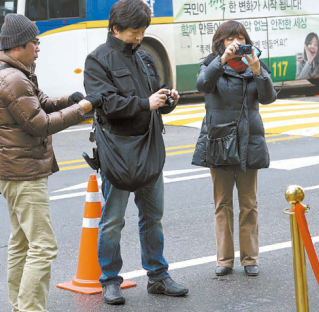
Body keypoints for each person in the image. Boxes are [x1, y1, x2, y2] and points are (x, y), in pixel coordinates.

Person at [83, 0, 187, 305]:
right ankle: (110, 280)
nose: (140, 36)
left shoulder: (143, 59)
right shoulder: (97, 61)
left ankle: (158, 275)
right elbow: (107, 104)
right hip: (118, 150)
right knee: (113, 220)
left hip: (150, 146)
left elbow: (154, 98)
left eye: (143, 30)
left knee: (153, 217)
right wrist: (146, 103)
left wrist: (168, 100)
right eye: (135, 31)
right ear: (116, 29)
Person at [0, 13, 94, 312]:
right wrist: (82, 109)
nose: (39, 47)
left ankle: (19, 304)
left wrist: (70, 98)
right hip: (23, 172)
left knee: (22, 243)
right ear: (19, 45)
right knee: (43, 246)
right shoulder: (13, 79)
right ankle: (29, 308)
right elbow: (40, 123)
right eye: (35, 42)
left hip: (14, 171)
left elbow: (40, 101)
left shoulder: (16, 71)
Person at [192, 20, 276, 277]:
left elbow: (268, 97)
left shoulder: (255, 63)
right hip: (220, 140)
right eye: (230, 38)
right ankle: (224, 260)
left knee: (249, 203)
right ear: (221, 42)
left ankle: (250, 259)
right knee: (223, 203)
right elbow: (202, 85)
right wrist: (222, 60)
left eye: (240, 38)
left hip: (249, 139)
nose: (236, 43)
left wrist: (258, 71)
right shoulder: (211, 64)